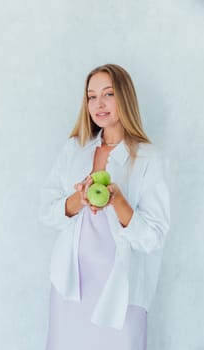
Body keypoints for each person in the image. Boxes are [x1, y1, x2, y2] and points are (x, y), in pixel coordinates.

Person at [39, 63, 170, 350]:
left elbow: (154, 236)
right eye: (91, 96)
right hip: (71, 285)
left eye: (108, 94)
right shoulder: (74, 150)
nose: (98, 103)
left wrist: (118, 202)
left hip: (121, 289)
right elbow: (47, 212)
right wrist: (79, 199)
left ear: (124, 97)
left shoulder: (149, 158)